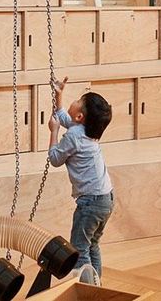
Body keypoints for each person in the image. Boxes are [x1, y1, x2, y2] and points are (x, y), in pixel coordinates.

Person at [48, 76, 114, 286]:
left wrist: (54, 132)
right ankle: (97, 287)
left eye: (78, 100)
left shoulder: (74, 136)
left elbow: (55, 159)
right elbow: (66, 118)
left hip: (90, 203)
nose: (74, 100)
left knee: (79, 249)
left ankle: (87, 290)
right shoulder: (88, 131)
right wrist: (59, 94)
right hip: (106, 199)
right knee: (93, 244)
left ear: (79, 116)